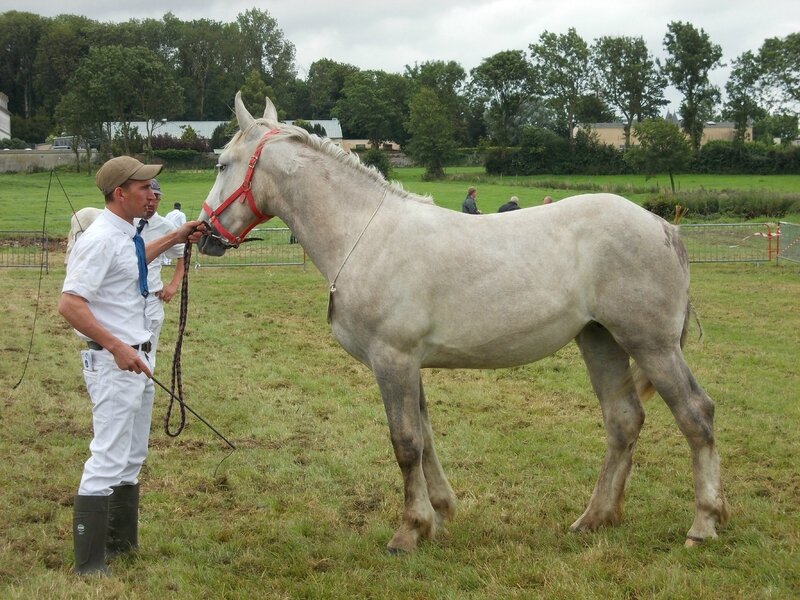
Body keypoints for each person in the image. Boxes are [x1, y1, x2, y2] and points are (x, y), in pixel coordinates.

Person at [59, 156, 205, 575]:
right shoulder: (101, 238)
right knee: (107, 455)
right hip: (114, 360)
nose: (152, 194)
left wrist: (177, 234)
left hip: (138, 358)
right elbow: (69, 304)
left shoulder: (128, 235)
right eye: (144, 188)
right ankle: (89, 564)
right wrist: (116, 346)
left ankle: (122, 544)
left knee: (132, 453)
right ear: (120, 193)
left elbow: (138, 259)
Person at [135, 179, 185, 367]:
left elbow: (183, 255)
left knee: (148, 352)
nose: (151, 201)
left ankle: (146, 385)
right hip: (125, 298)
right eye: (147, 196)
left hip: (152, 299)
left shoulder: (166, 228)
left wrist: (173, 285)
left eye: (156, 197)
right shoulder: (127, 222)